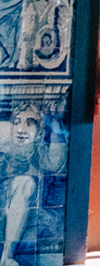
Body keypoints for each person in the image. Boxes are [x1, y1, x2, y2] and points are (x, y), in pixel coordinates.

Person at [0, 107, 64, 266]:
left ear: (39, 131)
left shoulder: (39, 151)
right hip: (3, 198)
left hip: (24, 201)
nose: (21, 129)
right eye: (17, 122)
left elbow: (56, 162)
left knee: (25, 182)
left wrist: (55, 123)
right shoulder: (4, 147)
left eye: (30, 123)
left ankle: (7, 256)